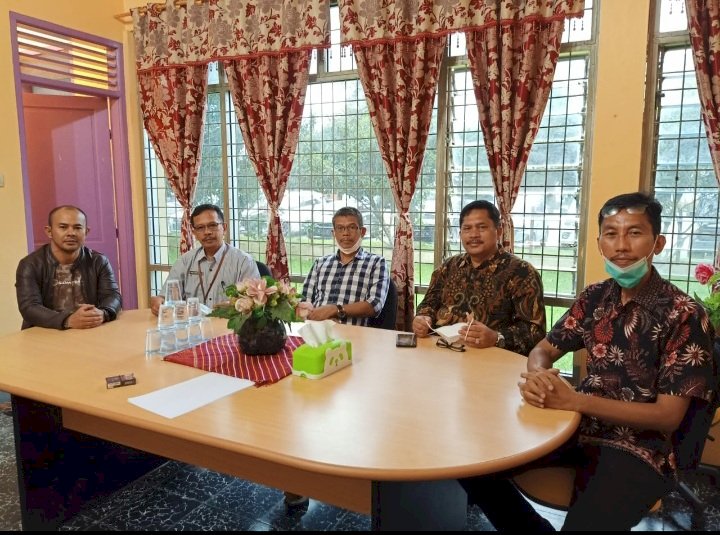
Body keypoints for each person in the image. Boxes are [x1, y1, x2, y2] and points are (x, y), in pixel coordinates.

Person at [459, 192, 717, 531]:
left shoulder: (684, 315)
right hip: (574, 425)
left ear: (658, 243)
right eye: (611, 234)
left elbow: (668, 416)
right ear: (599, 244)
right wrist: (540, 377)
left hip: (640, 447)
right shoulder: (595, 297)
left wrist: (574, 400)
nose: (621, 246)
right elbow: (543, 349)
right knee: (471, 462)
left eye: (634, 233)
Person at [411, 200, 545, 356]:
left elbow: (535, 331)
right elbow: (428, 303)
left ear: (499, 231)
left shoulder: (521, 272)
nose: (474, 235)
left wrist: (496, 337)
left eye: (482, 227)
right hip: (442, 353)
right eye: (467, 228)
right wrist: (423, 318)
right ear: (460, 234)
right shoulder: (449, 266)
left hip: (493, 359)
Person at [15, 205, 121, 330]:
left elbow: (112, 295)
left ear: (86, 232)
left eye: (77, 228)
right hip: (44, 332)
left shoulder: (98, 261)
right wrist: (68, 320)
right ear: (49, 231)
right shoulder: (30, 264)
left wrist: (103, 313)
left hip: (88, 331)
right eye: (63, 227)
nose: (71, 233)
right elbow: (29, 307)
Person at [150, 204, 259, 315]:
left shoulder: (244, 262)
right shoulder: (184, 261)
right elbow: (165, 298)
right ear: (194, 233)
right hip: (193, 323)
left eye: (212, 225)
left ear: (224, 228)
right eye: (200, 228)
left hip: (227, 323)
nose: (207, 232)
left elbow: (255, 303)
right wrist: (158, 301)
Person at [302, 206, 389, 326]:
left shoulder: (376, 263)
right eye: (340, 228)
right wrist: (323, 321)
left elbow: (375, 305)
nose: (346, 233)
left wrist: (335, 310)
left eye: (351, 227)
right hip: (317, 329)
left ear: (362, 231)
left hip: (352, 332)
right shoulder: (320, 263)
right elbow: (304, 301)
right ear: (333, 233)